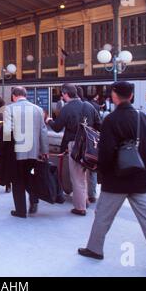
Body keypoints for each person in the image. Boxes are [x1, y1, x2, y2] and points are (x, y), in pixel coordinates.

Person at [78, 81, 146, 274]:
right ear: (131, 96)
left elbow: (105, 152)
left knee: (103, 216)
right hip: (139, 178)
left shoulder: (111, 120)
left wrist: (103, 173)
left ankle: (95, 249)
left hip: (116, 181)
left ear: (114, 96)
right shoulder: (142, 118)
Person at [47, 83, 101, 216]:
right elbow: (99, 124)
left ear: (65, 94)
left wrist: (48, 120)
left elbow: (57, 127)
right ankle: (85, 199)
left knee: (76, 177)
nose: (62, 96)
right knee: (85, 174)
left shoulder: (67, 108)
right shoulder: (89, 106)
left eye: (63, 94)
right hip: (89, 145)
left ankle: (80, 207)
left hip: (75, 145)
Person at [4, 86, 49, 218]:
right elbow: (43, 132)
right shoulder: (38, 109)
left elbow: (7, 132)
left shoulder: (10, 108)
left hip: (17, 152)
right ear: (26, 95)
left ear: (13, 96)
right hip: (33, 152)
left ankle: (20, 211)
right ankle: (34, 198)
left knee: (17, 180)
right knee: (28, 176)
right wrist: (44, 150)